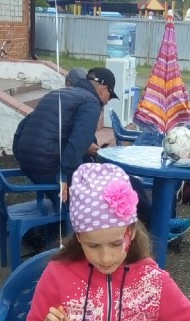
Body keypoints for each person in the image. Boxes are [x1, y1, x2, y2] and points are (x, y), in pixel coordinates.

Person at [24, 163, 190, 321]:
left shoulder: (152, 282)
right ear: (78, 237)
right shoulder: (57, 274)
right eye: (93, 246)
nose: (106, 258)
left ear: (131, 232)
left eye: (116, 244)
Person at [13, 66, 152, 223]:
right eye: (110, 95)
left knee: (125, 182)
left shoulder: (55, 94)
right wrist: (64, 177)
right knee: (129, 185)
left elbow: (21, 129)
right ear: (104, 89)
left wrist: (22, 157)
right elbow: (77, 143)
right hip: (54, 173)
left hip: (30, 168)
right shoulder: (91, 102)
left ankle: (151, 223)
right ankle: (155, 227)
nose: (107, 102)